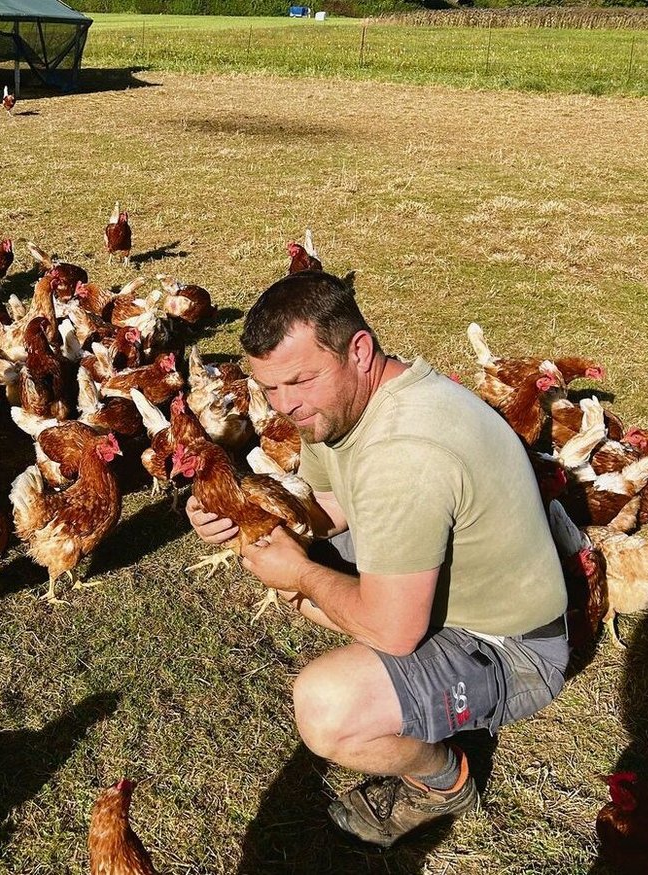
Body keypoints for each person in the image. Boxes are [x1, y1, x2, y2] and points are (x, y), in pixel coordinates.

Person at [185, 271, 569, 848]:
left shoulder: (405, 452)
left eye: (300, 381)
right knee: (299, 571)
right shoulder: (343, 406)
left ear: (359, 351)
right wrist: (246, 516)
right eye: (269, 389)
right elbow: (332, 506)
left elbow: (393, 631)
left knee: (328, 706)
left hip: (510, 644)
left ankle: (444, 780)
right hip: (465, 593)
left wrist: (302, 576)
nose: (285, 405)